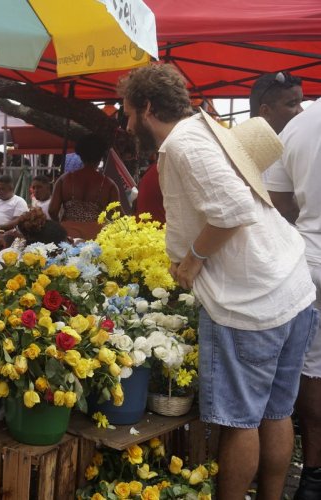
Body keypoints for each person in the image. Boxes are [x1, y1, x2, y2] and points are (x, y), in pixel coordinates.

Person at [119, 63, 317, 500]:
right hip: (290, 285)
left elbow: (232, 211)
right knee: (276, 413)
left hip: (251, 302)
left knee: (241, 424)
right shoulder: (207, 127)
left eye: (128, 111)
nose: (128, 121)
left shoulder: (182, 145)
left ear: (148, 107)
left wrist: (190, 262)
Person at [262, 98, 321, 500]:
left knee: (311, 370)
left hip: (312, 262)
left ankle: (314, 475)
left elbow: (279, 203)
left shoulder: (302, 124)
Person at [250, 71, 304, 223]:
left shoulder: (290, 144)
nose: (301, 111)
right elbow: (282, 205)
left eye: (301, 102)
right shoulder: (248, 153)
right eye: (292, 104)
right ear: (265, 111)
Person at [48, 133, 119, 239]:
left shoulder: (64, 180)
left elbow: (52, 210)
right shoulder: (109, 185)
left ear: (80, 155)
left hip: (68, 234)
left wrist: (60, 224)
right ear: (101, 157)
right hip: (97, 236)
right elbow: (117, 216)